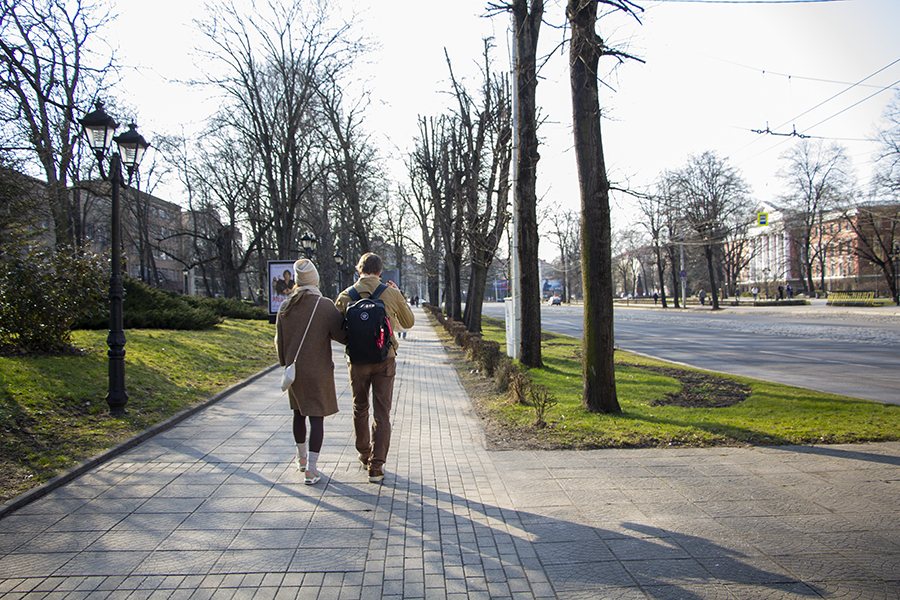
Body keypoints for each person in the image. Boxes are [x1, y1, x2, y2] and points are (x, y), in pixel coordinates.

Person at [335, 252, 415, 483]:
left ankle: (363, 453)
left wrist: (354, 341)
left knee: (360, 407)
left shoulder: (345, 296)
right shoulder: (390, 293)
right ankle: (376, 467)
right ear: (380, 271)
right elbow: (408, 322)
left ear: (359, 270)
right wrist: (398, 295)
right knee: (382, 412)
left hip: (357, 361)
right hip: (384, 358)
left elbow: (337, 330)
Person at [275, 258, 347, 485]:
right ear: (314, 279)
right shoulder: (323, 305)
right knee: (317, 419)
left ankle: (301, 459)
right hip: (318, 371)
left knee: (298, 413)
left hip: (294, 371)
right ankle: (312, 470)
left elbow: (280, 341)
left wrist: (284, 363)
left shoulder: (285, 306)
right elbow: (342, 336)